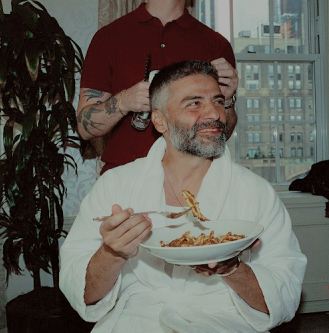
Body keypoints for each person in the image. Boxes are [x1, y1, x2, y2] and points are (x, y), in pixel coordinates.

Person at [60, 60, 307, 332]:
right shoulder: (115, 186)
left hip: (224, 321)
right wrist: (112, 252)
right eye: (194, 103)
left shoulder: (257, 193)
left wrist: (232, 269)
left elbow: (284, 298)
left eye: (218, 101)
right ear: (159, 120)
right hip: (135, 320)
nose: (214, 114)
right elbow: (83, 294)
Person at [76, 0, 238, 174]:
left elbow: (221, 135)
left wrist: (226, 101)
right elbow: (84, 129)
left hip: (194, 180)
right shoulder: (108, 37)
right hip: (125, 179)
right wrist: (123, 102)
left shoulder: (216, 44)